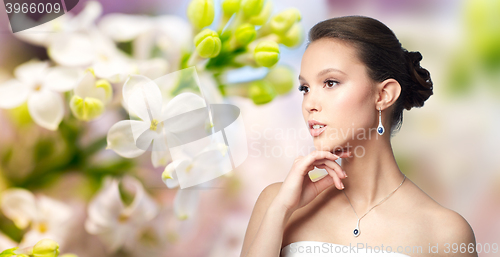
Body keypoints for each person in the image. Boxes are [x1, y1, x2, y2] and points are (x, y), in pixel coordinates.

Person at [240, 16, 477, 257]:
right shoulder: (278, 203)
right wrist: (280, 210)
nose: (309, 103)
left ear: (384, 95)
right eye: (305, 88)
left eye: (330, 82)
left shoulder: (445, 233)